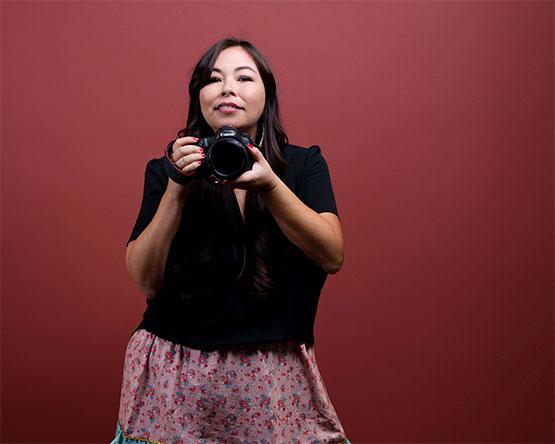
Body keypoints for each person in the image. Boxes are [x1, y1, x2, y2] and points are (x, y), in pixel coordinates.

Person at [111, 37, 351, 444]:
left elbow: (332, 255)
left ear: (266, 94)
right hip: (174, 376)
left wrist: (271, 186)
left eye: (244, 77)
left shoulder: (303, 165)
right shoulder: (166, 171)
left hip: (273, 378)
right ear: (199, 97)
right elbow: (146, 281)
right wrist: (176, 185)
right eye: (213, 79)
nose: (227, 88)